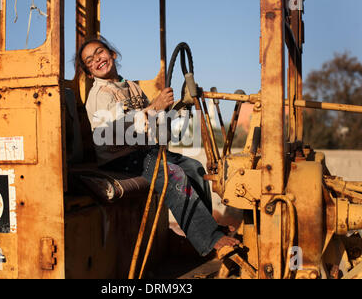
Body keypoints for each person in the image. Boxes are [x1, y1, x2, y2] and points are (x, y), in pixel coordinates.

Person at [75, 37, 240, 257]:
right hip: (119, 158)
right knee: (173, 174)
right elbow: (110, 134)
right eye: (89, 60)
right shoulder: (99, 95)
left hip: (143, 152)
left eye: (100, 52)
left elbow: (150, 121)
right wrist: (154, 107)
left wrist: (172, 109)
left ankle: (203, 231)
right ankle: (211, 239)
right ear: (88, 73)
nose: (97, 59)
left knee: (193, 167)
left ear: (112, 54)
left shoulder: (131, 86)